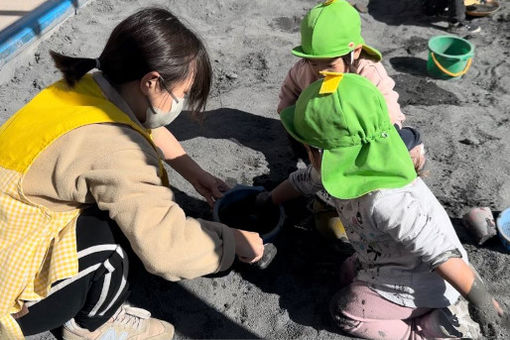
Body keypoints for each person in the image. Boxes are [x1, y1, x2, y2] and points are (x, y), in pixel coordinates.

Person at [0, 8, 264, 339]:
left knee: (111, 206)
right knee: (113, 242)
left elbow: (135, 124)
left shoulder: (85, 87)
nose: (179, 104)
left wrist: (194, 172)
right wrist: (233, 241)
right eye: (181, 95)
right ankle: (91, 325)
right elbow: (166, 250)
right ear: (152, 82)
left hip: (11, 221)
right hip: (9, 296)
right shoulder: (116, 150)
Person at [264, 72, 506, 338]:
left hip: (422, 282)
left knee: (345, 310)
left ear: (320, 152)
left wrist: (481, 300)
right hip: (387, 260)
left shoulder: (387, 200)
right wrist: (266, 200)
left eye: (307, 148)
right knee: (345, 273)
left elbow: (441, 254)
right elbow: (302, 181)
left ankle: (425, 331)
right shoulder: (338, 164)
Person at [277, 0, 425, 241]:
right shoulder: (302, 69)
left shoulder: (368, 72)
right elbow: (286, 101)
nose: (320, 71)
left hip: (364, 137)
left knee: (403, 151)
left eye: (330, 64)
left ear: (354, 52)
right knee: (317, 169)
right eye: (314, 63)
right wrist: (304, 136)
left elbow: (387, 118)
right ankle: (329, 197)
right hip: (321, 134)